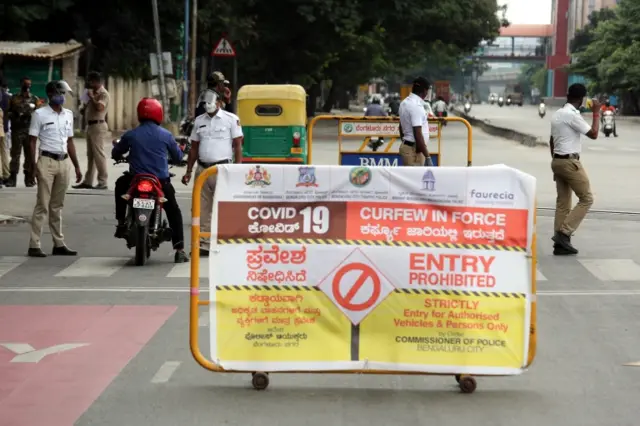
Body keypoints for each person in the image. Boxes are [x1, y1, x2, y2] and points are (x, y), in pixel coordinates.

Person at [112, 98, 189, 263]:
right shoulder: (166, 135)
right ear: (159, 114)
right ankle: (180, 249)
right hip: (160, 182)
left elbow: (116, 151)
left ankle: (120, 222)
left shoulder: (131, 134)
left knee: (120, 184)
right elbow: (178, 156)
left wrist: (119, 156)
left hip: (135, 180)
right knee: (173, 210)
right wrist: (180, 155)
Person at [182, 91, 243, 256]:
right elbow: (194, 148)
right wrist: (188, 171)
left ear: (218, 103)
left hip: (222, 169)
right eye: (206, 105)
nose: (208, 107)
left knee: (224, 208)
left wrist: (238, 168)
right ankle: (203, 243)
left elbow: (238, 145)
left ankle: (224, 242)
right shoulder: (199, 121)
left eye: (211, 104)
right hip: (202, 170)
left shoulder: (231, 119)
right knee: (201, 208)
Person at [26, 81, 83, 257]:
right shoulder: (39, 114)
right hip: (46, 161)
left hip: (64, 162)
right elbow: (32, 141)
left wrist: (77, 166)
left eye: (64, 94)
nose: (63, 97)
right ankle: (34, 244)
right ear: (51, 94)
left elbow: (70, 141)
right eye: (61, 93)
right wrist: (32, 165)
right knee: (42, 204)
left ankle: (58, 243)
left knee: (57, 206)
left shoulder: (68, 114)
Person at [549, 83, 598, 256]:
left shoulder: (557, 114)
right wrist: (596, 112)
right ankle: (564, 233)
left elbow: (552, 141)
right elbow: (594, 134)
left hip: (557, 161)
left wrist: (556, 161)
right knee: (587, 198)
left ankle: (560, 244)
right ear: (581, 99)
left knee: (563, 202)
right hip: (570, 163)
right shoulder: (572, 115)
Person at [74, 71, 110, 189]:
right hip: (90, 126)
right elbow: (83, 111)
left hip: (98, 126)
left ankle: (103, 181)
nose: (89, 84)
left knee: (99, 155)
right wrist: (84, 106)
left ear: (96, 81)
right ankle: (88, 181)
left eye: (90, 81)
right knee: (91, 155)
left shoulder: (103, 94)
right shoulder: (91, 93)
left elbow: (100, 107)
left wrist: (92, 97)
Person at [6, 77, 39, 187]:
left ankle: (29, 178)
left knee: (29, 155)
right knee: (15, 155)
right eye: (25, 84)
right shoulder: (14, 98)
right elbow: (8, 112)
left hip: (29, 131)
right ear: (21, 84)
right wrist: (15, 115)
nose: (27, 86)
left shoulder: (34, 99)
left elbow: (39, 114)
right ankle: (12, 178)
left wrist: (29, 115)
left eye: (29, 84)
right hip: (17, 130)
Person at [398, 77, 432, 167]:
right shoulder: (416, 106)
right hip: (415, 151)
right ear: (425, 91)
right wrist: (427, 156)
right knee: (416, 179)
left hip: (409, 147)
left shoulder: (404, 103)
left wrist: (406, 142)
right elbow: (417, 133)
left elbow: (400, 127)